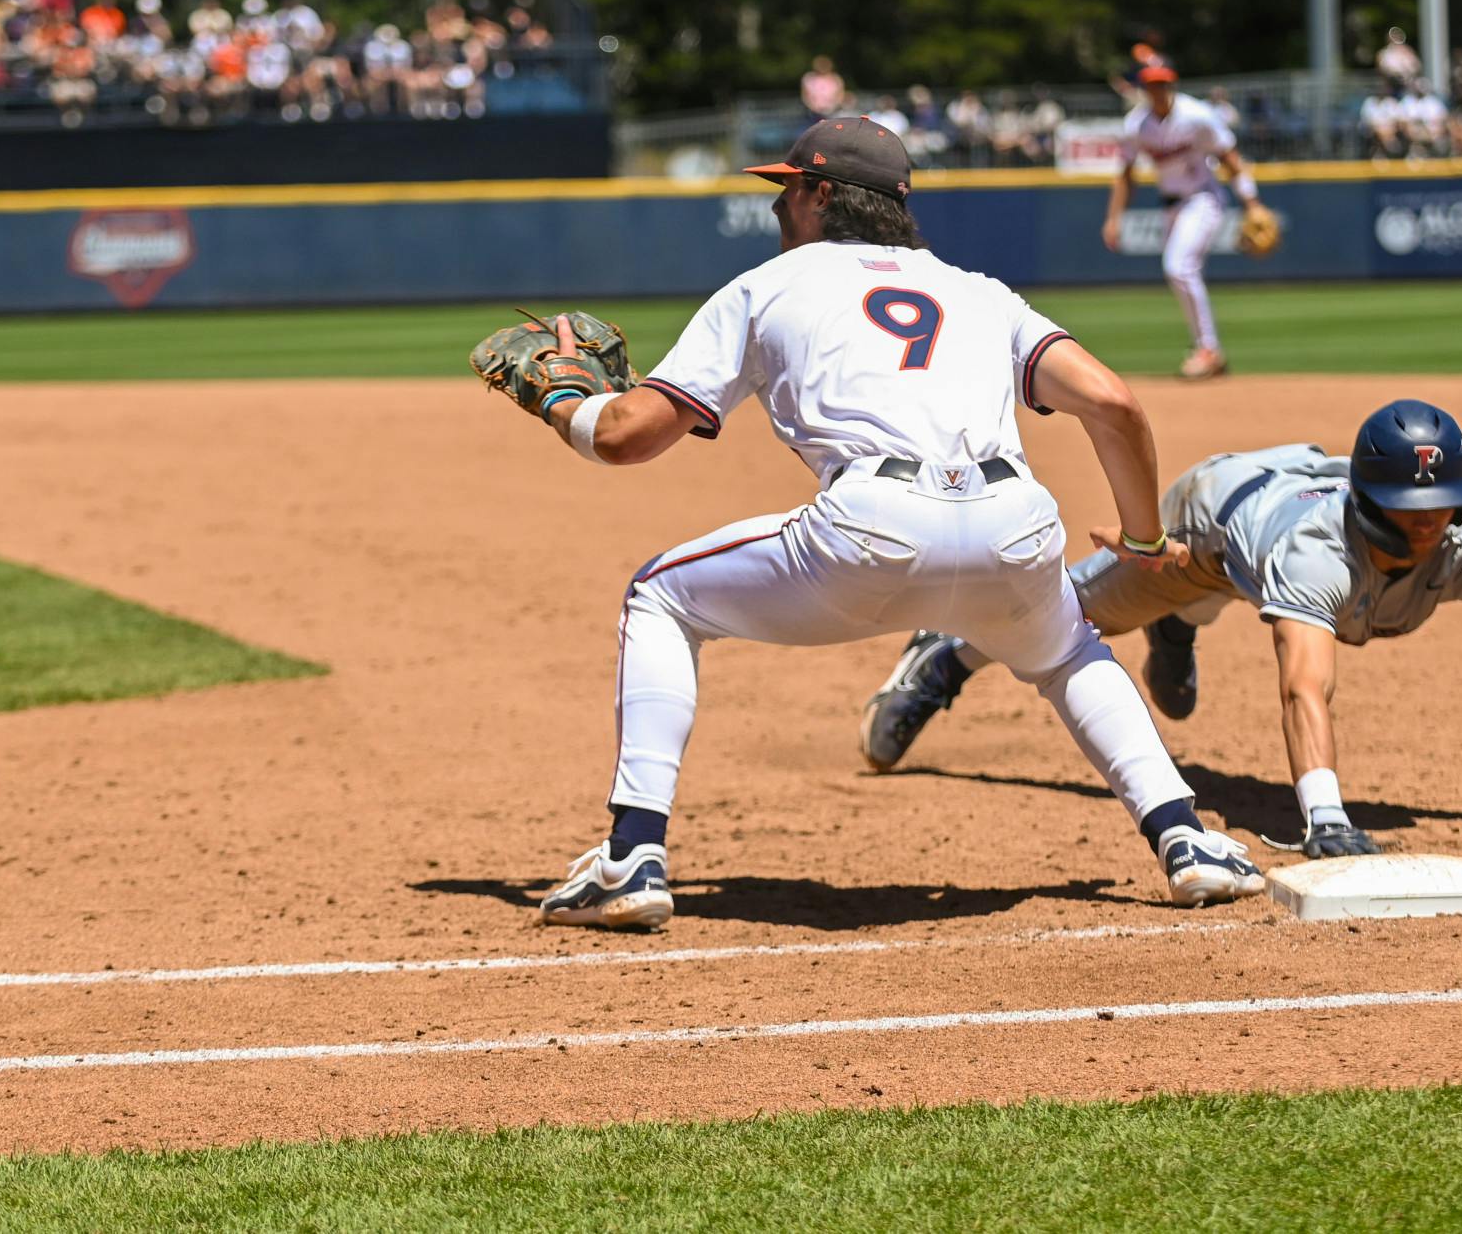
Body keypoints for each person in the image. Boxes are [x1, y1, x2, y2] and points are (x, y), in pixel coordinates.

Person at [521, 117, 1266, 930]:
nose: (778, 207)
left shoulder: (765, 288)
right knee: (1066, 649)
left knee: (660, 595)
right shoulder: (980, 291)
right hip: (1014, 526)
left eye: (787, 188)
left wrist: (565, 402)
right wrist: (1145, 540)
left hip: (869, 531)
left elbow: (627, 436)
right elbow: (1114, 403)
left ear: (820, 195)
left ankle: (631, 857)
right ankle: (1187, 841)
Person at [860, 400, 1462, 855]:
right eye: (1412, 512)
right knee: (1051, 619)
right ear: (1371, 503)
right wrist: (1326, 819)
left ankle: (1175, 631)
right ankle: (946, 656)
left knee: (1186, 619)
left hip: (1288, 496)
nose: (1429, 527)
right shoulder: (1317, 552)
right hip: (1216, 521)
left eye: (1441, 507)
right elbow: (1304, 684)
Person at [1103, 54, 1270, 381]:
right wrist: (1113, 217)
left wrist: (1253, 203)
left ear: (1172, 84)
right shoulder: (1137, 125)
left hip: (1203, 198)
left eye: (1163, 83)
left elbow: (1230, 159)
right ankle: (1209, 350)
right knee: (1179, 271)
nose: (1158, 90)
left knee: (1178, 266)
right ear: (1144, 88)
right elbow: (1125, 173)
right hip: (1171, 207)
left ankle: (1208, 348)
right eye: (1151, 85)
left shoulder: (1198, 116)